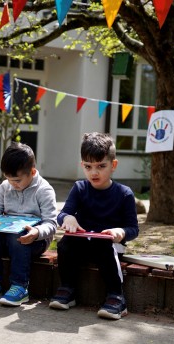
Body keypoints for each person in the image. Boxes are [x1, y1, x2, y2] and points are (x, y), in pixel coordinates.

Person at [49, 132, 139, 320]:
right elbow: (63, 214)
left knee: (105, 247)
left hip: (110, 245)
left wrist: (120, 232)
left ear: (113, 165)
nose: (94, 172)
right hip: (84, 242)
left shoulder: (124, 194)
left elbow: (133, 229)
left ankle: (117, 296)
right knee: (65, 244)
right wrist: (68, 219)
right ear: (82, 165)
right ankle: (67, 288)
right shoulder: (80, 188)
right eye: (88, 167)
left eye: (101, 166)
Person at [0, 143, 57, 307]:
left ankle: (20, 286)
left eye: (17, 180)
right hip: (7, 235)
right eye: (8, 179)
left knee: (17, 236)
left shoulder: (44, 190)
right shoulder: (6, 187)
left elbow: (51, 223)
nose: (12, 184)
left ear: (32, 172)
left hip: (34, 240)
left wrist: (36, 232)